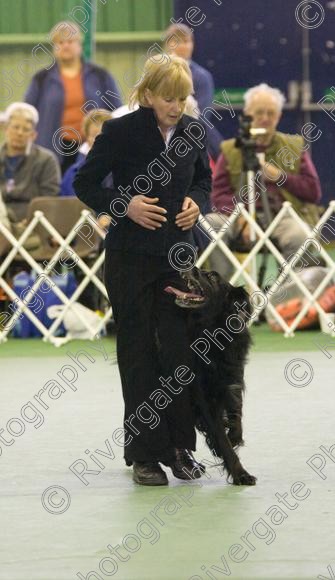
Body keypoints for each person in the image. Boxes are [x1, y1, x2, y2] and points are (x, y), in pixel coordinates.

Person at [74, 55, 212, 486]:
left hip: (177, 258)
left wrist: (196, 203)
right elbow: (85, 183)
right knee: (137, 355)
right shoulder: (120, 131)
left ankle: (180, 449)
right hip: (130, 258)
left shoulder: (194, 131)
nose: (176, 106)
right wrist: (124, 205)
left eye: (183, 98)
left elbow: (203, 182)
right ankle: (145, 455)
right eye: (168, 98)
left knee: (178, 354)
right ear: (148, 94)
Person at [205, 83, 322, 281]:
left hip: (282, 215)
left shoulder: (294, 146)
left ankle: (291, 295)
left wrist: (280, 177)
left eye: (271, 113)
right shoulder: (231, 149)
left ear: (279, 116)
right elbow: (218, 194)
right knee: (211, 224)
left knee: (299, 235)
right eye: (259, 112)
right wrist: (239, 214)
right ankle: (220, 287)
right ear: (248, 114)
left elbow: (313, 192)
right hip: (237, 217)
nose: (265, 118)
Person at [25, 21, 122, 173]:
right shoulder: (41, 79)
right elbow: (28, 113)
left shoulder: (100, 76)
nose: (65, 46)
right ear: (54, 47)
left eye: (70, 41)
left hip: (92, 145)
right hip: (53, 148)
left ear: (79, 45)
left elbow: (117, 110)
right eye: (60, 42)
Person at [164, 23, 222, 160]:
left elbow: (201, 116)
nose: (184, 46)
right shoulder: (158, 74)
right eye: (177, 41)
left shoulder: (202, 77)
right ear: (168, 44)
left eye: (187, 41)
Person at [0, 102, 60, 222]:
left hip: (31, 220)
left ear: (33, 135)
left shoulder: (46, 159)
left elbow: (49, 198)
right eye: (16, 127)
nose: (20, 133)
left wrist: (32, 218)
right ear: (5, 129)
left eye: (26, 129)